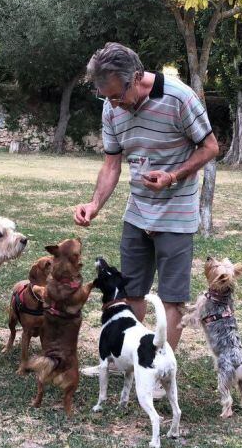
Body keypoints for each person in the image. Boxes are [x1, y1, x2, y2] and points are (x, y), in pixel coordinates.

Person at [73, 43, 220, 349]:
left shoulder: (179, 97)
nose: (113, 104)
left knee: (172, 298)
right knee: (131, 291)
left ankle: (160, 365)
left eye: (117, 96)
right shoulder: (111, 108)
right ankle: (134, 361)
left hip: (177, 211)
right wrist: (95, 204)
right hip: (137, 212)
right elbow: (112, 163)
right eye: (105, 97)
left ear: (137, 77)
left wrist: (173, 176)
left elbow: (210, 147)